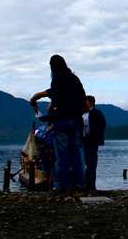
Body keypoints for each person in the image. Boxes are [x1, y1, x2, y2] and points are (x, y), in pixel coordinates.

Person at [31, 55, 87, 191]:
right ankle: (80, 183)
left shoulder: (57, 81)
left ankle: (64, 184)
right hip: (75, 120)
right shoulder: (75, 79)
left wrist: (35, 99)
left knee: (61, 153)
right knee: (77, 152)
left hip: (61, 120)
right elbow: (86, 104)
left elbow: (51, 102)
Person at [82, 95, 106, 191]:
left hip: (91, 141)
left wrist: (92, 134)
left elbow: (102, 125)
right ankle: (82, 183)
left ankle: (91, 185)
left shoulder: (96, 113)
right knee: (82, 162)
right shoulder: (82, 113)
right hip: (81, 140)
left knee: (91, 163)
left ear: (91, 103)